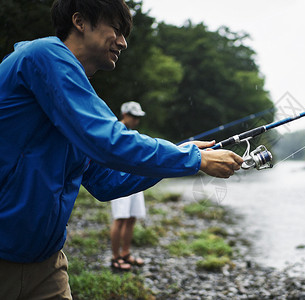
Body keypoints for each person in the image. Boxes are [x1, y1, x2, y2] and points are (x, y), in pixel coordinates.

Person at [0, 0, 243, 298]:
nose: (124, 42)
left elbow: (106, 181)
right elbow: (108, 140)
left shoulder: (77, 93)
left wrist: (181, 154)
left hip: (46, 261)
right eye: (116, 29)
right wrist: (193, 158)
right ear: (79, 21)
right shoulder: (43, 56)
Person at [110, 101, 148, 271]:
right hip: (119, 181)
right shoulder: (115, 131)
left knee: (132, 217)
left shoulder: (133, 133)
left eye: (138, 117)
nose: (136, 120)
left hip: (134, 181)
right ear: (125, 114)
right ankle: (115, 257)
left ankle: (125, 253)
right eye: (134, 116)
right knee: (120, 218)